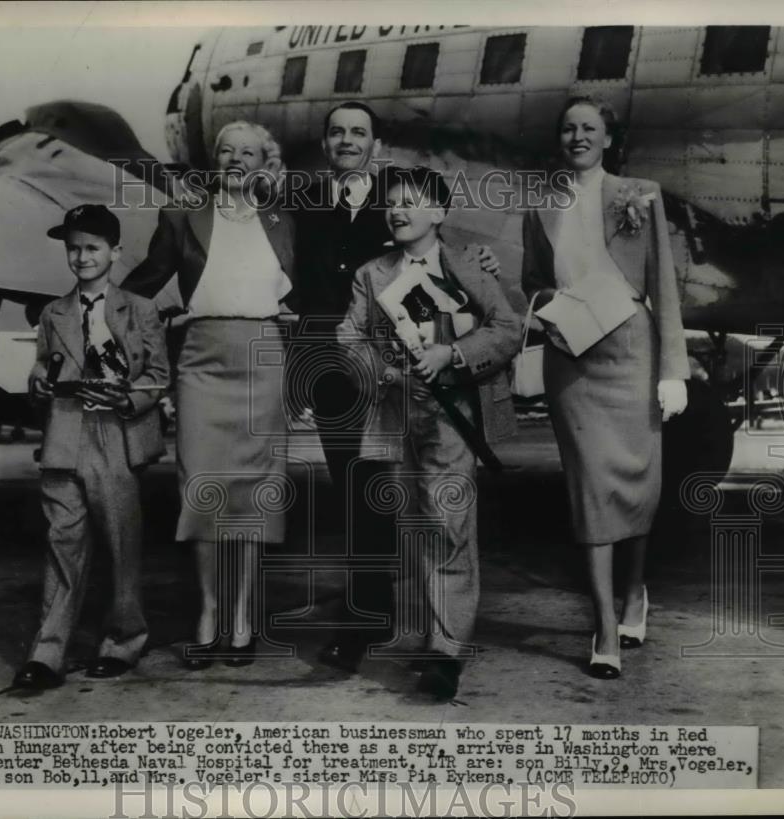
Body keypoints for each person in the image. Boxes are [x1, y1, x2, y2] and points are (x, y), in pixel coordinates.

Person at [293, 101, 501, 674]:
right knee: (357, 498)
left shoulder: (400, 196)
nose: (346, 141)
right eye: (336, 132)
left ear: (376, 144)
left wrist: (478, 261)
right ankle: (366, 617)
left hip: (414, 379)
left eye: (358, 133)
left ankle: (440, 634)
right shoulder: (301, 200)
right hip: (337, 370)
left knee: (430, 503)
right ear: (324, 143)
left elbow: (438, 251)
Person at [521, 96, 689, 679]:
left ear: (608, 139)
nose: (577, 136)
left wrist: (674, 369)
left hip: (632, 354)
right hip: (573, 358)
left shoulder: (637, 193)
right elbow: (533, 285)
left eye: (588, 127)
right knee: (591, 490)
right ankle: (603, 624)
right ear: (559, 139)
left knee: (636, 485)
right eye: (568, 128)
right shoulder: (540, 203)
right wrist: (553, 306)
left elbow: (663, 284)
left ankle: (635, 590)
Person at [337, 166, 520, 699]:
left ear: (439, 213)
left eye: (411, 201)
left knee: (448, 522)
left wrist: (453, 354)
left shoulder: (469, 265)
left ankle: (447, 651)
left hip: (453, 413)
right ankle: (422, 633)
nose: (398, 209)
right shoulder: (372, 274)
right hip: (394, 412)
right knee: (411, 524)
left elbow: (507, 329)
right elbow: (349, 338)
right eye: (391, 201)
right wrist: (382, 370)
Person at [124, 121, 294, 669]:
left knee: (250, 492)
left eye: (249, 152)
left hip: (262, 359)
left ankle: (241, 617)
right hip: (200, 360)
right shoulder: (181, 216)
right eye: (227, 151)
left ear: (264, 161)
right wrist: (81, 315)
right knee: (201, 488)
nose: (236, 160)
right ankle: (207, 612)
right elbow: (143, 284)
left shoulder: (284, 219)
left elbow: (321, 284)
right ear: (213, 160)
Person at [13, 204, 168, 690]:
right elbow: (43, 365)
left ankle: (124, 639)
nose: (82, 257)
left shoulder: (140, 310)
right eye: (74, 248)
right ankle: (48, 652)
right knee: (63, 543)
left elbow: (159, 377)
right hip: (63, 433)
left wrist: (127, 397)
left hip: (116, 435)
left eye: (92, 248)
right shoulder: (52, 312)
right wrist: (37, 379)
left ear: (115, 252)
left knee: (122, 542)